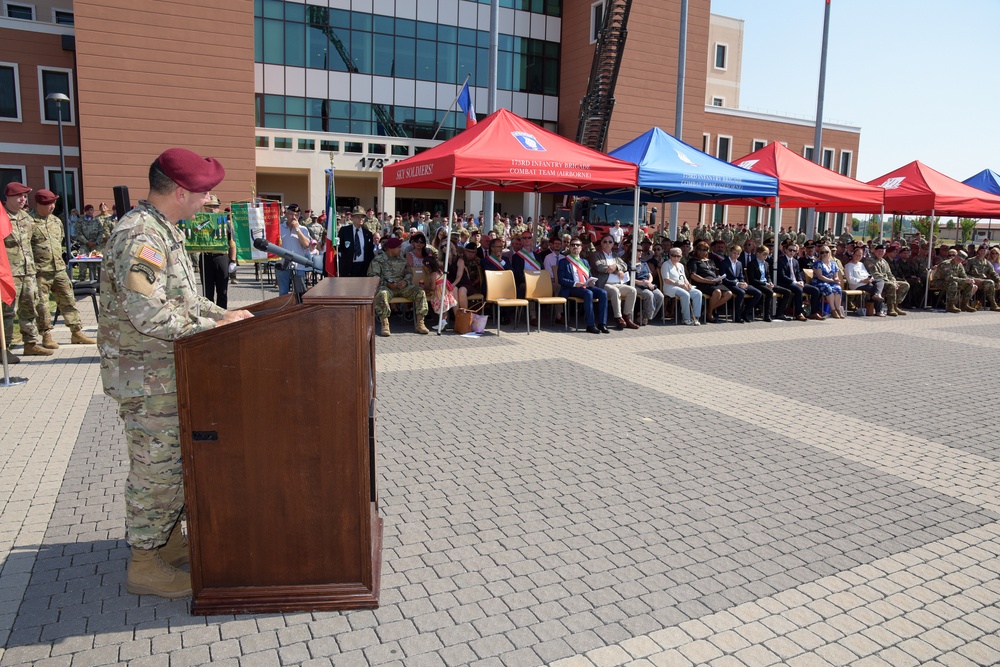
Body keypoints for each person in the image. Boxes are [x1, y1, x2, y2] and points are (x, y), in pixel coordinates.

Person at [99, 148, 253, 598]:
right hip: (148, 380)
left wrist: (225, 316)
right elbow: (149, 314)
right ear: (182, 192)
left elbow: (185, 300)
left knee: (174, 467)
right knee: (156, 472)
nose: (210, 199)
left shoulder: (165, 231)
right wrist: (214, 326)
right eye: (205, 193)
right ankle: (144, 563)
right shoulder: (140, 235)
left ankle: (163, 544)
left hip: (167, 374)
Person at [29, 189, 98, 348]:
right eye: (49, 204)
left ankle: (76, 332)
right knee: (43, 305)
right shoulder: (29, 221)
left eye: (53, 203)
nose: (52, 206)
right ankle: (46, 335)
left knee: (68, 300)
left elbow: (59, 240)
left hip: (59, 269)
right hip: (40, 271)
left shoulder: (56, 221)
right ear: (39, 203)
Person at [3, 182, 53, 361]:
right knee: (8, 311)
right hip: (9, 274)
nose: (22, 199)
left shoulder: (26, 218)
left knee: (30, 308)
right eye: (19, 195)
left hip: (28, 271)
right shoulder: (2, 217)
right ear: (7, 197)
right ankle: (4, 348)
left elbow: (32, 243)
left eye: (24, 195)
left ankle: (30, 344)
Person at [368, 237, 429, 336]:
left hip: (402, 287)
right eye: (398, 247)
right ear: (391, 248)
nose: (400, 249)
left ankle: (420, 323)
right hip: (387, 287)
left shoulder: (402, 259)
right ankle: (385, 324)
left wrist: (405, 281)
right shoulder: (378, 260)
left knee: (420, 292)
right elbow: (373, 276)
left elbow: (409, 273)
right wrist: (387, 283)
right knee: (382, 294)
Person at [557, 239, 608, 334]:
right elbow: (561, 279)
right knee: (588, 293)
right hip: (572, 288)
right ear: (570, 247)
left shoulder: (584, 262)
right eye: (573, 245)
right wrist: (575, 284)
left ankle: (602, 323)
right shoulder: (563, 261)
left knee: (603, 293)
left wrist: (591, 282)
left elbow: (589, 275)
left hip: (586, 286)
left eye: (577, 245)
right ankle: (590, 325)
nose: (575, 247)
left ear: (581, 248)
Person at [591, 235, 639, 329]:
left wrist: (616, 267)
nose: (607, 244)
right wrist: (615, 269)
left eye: (610, 242)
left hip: (618, 283)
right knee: (614, 291)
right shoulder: (595, 254)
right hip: (604, 284)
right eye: (605, 241)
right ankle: (618, 317)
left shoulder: (615, 255)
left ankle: (627, 317)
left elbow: (624, 265)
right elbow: (599, 267)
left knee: (632, 290)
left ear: (613, 244)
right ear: (601, 243)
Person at [199, 194, 237, 308]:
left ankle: (222, 316)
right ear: (205, 208)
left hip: (221, 257)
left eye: (215, 206)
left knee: (222, 291)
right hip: (206, 257)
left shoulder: (225, 223)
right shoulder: (200, 223)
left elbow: (232, 243)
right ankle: (209, 318)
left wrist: (233, 260)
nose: (213, 209)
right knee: (207, 292)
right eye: (209, 206)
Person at [687, 242, 731, 324]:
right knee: (717, 292)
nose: (702, 251)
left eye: (705, 250)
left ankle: (707, 311)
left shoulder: (711, 261)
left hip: (714, 282)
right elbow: (693, 276)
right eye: (700, 249)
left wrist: (719, 278)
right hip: (702, 283)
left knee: (728, 293)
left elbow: (716, 273)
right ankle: (710, 314)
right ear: (696, 250)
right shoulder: (693, 261)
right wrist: (708, 281)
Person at [746, 245, 791, 322]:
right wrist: (766, 284)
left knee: (787, 292)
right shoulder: (752, 264)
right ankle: (766, 315)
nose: (766, 256)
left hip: (766, 284)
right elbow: (752, 279)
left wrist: (770, 282)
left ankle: (780, 313)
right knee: (769, 292)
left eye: (767, 254)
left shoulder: (766, 264)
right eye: (764, 254)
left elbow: (768, 275)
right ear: (758, 253)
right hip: (757, 284)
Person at [776, 243, 819, 321]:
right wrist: (795, 283)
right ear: (785, 250)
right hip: (786, 283)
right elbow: (782, 276)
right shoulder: (781, 260)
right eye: (790, 250)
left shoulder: (795, 261)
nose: (792, 252)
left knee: (815, 290)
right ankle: (799, 313)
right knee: (798, 290)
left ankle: (813, 313)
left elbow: (798, 274)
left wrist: (801, 281)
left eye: (794, 250)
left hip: (796, 282)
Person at [865, 243, 911, 316]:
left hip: (887, 281)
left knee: (905, 285)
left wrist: (894, 281)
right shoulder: (870, 260)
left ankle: (895, 305)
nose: (881, 253)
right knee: (891, 285)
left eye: (882, 251)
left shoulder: (884, 261)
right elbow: (875, 274)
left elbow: (889, 274)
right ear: (875, 251)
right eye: (879, 251)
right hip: (877, 282)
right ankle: (890, 308)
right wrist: (891, 282)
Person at [719, 244, 761, 323]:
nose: (736, 255)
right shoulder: (724, 263)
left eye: (738, 254)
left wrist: (742, 282)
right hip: (728, 284)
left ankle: (745, 313)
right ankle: (737, 316)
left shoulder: (739, 263)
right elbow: (724, 279)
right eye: (734, 253)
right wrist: (737, 283)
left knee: (757, 293)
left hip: (738, 284)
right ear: (730, 252)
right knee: (741, 292)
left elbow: (741, 275)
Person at [660, 248, 702, 326]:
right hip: (670, 287)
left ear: (681, 256)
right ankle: (686, 318)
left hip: (682, 286)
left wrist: (688, 284)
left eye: (678, 256)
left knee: (698, 293)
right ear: (670, 255)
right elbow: (666, 280)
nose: (676, 258)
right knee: (685, 294)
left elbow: (684, 278)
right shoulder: (666, 264)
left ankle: (695, 317)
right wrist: (680, 285)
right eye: (674, 255)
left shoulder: (681, 265)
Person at [931, 249, 977, 313]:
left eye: (961, 259)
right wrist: (964, 280)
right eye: (958, 258)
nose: (959, 260)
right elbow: (948, 278)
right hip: (938, 281)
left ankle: (964, 304)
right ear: (955, 256)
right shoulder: (946, 264)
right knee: (953, 284)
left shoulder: (959, 265)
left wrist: (968, 280)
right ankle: (950, 306)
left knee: (969, 284)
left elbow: (963, 275)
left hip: (951, 281)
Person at [337, 205, 375, 278]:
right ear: (352, 218)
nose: (360, 219)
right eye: (358, 216)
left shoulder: (367, 233)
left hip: (363, 267)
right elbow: (339, 248)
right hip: (348, 268)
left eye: (362, 217)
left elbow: (370, 252)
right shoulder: (344, 231)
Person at [811, 245, 845, 319]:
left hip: (830, 282)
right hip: (819, 282)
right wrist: (832, 281)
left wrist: (836, 280)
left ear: (829, 253)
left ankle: (838, 309)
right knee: (828, 288)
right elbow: (820, 276)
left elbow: (835, 275)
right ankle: (833, 310)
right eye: (822, 252)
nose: (824, 254)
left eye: (826, 252)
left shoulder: (833, 264)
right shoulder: (818, 263)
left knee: (838, 288)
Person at [845, 246, 881, 314]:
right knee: (874, 289)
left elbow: (867, 274)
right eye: (857, 255)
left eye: (860, 255)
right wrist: (863, 280)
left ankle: (877, 295)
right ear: (853, 255)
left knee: (880, 281)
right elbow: (850, 280)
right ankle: (878, 310)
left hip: (866, 282)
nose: (858, 257)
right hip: (857, 285)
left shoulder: (861, 264)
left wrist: (870, 278)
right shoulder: (848, 266)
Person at [963, 245, 1000, 311]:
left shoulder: (987, 263)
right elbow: (964, 273)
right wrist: (973, 279)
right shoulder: (971, 260)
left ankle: (993, 304)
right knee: (990, 283)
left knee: (991, 282)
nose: (983, 252)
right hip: (972, 281)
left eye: (985, 250)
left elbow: (993, 273)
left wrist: (998, 281)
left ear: (987, 252)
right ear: (978, 251)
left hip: (982, 282)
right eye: (982, 250)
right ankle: (965, 304)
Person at [422, 255, 458, 321]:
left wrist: (426, 288)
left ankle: (441, 322)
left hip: (438, 295)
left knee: (440, 309)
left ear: (428, 267)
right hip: (445, 293)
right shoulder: (440, 271)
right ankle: (444, 321)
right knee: (444, 308)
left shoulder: (433, 274)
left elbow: (433, 287)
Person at [632, 252, 663, 325]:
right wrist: (642, 282)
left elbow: (650, 275)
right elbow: (629, 278)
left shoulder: (644, 263)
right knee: (649, 295)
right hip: (637, 285)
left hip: (648, 284)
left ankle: (644, 315)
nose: (640, 252)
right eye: (638, 250)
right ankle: (646, 317)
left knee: (660, 296)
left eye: (641, 250)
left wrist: (649, 282)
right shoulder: (629, 264)